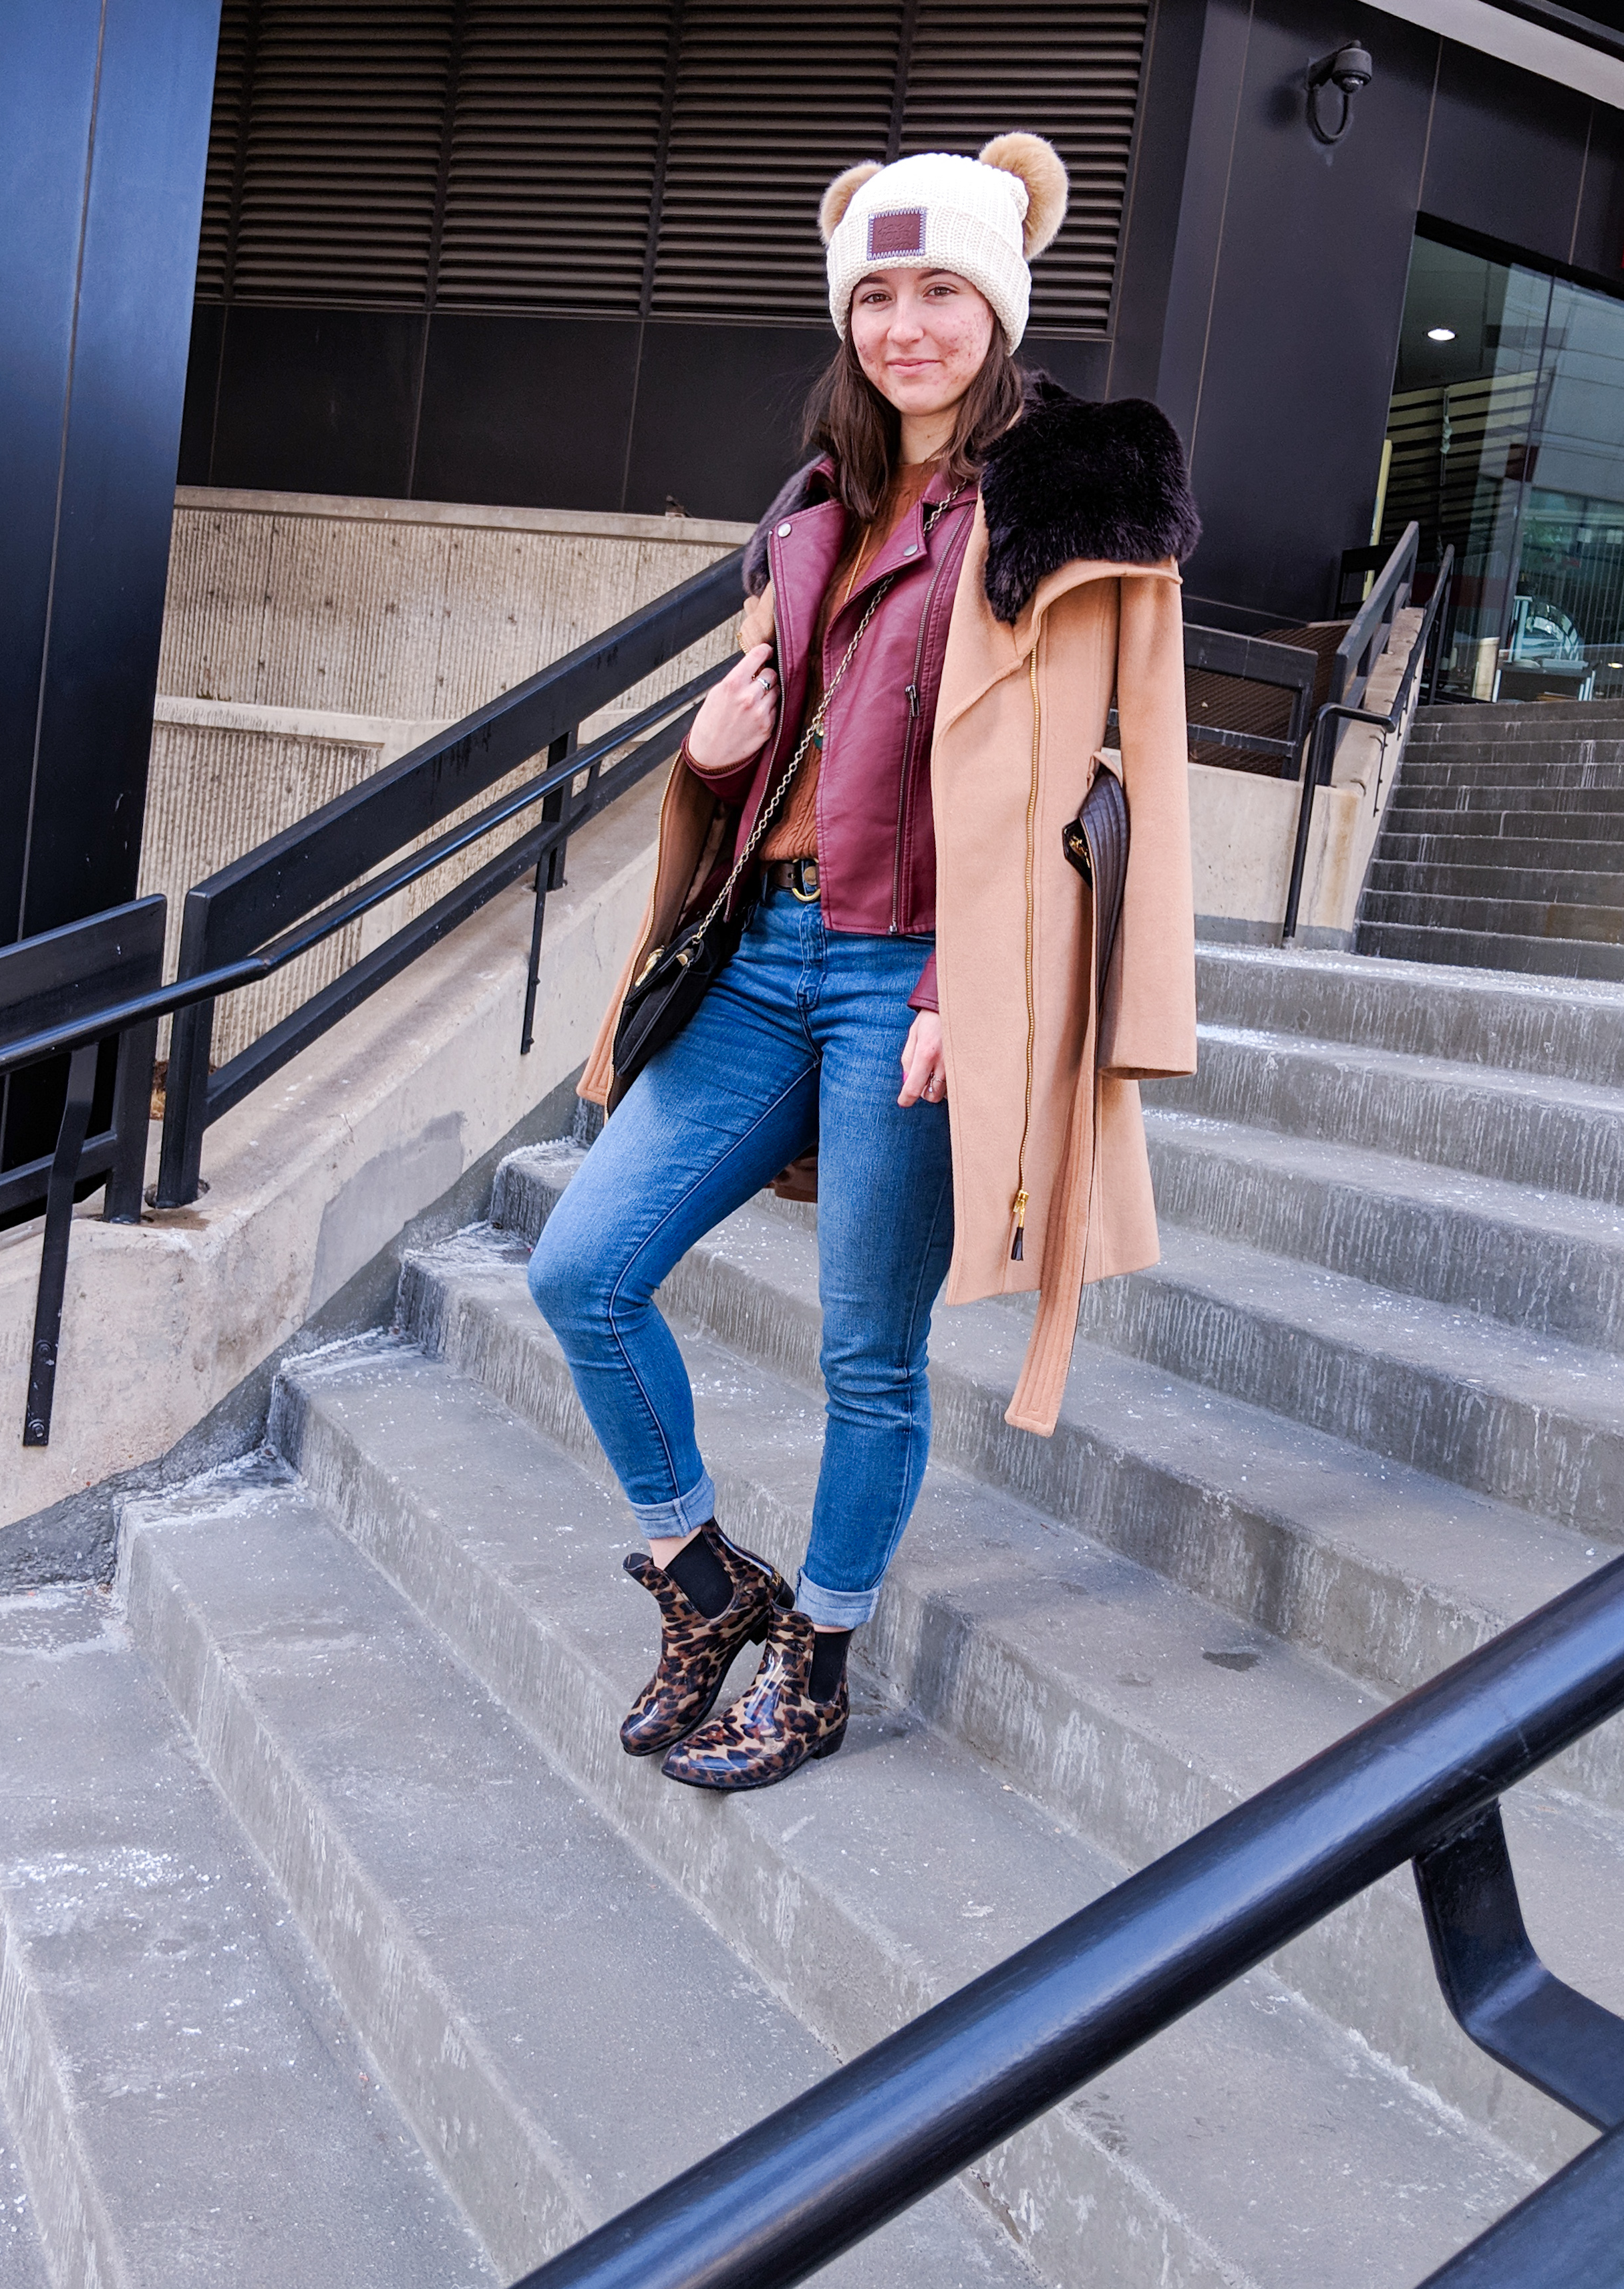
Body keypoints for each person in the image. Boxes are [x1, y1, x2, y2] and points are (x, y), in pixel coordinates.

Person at [529, 136, 1200, 1793]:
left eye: (943, 290)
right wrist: (701, 753)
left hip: (916, 980)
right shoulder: (818, 505)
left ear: (1000, 302)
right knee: (580, 1272)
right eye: (878, 295)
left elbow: (1109, 785)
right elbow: (788, 752)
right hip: (763, 953)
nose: (907, 325)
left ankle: (817, 1656)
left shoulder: (1072, 507)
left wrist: (984, 996)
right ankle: (707, 1583)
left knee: (864, 1357)